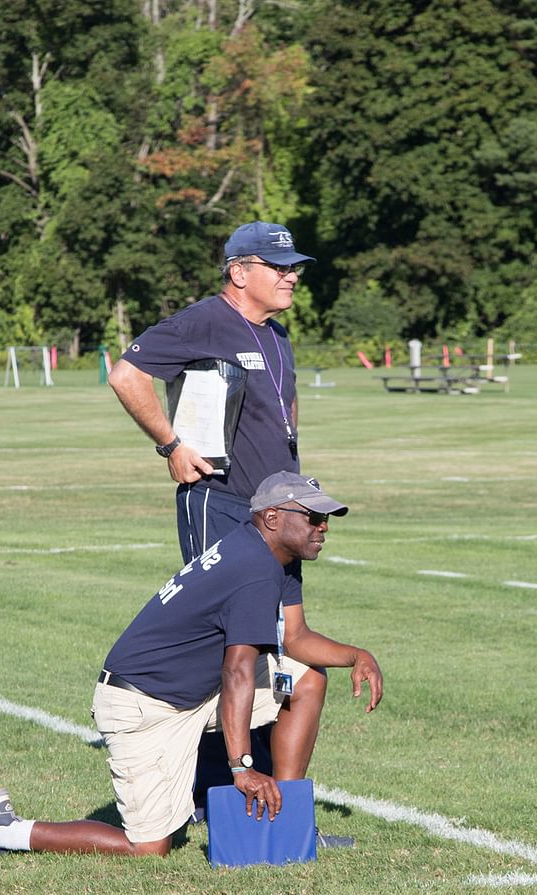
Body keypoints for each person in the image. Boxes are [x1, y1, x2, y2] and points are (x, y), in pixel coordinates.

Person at [0, 472, 383, 859]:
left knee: (305, 678)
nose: (323, 527)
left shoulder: (275, 556)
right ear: (272, 518)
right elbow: (238, 673)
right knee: (148, 848)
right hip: (143, 704)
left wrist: (356, 656)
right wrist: (242, 767)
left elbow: (295, 638)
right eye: (313, 517)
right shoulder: (254, 567)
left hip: (191, 690)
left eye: (325, 519)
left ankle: (285, 830)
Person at [108, 221, 321, 803]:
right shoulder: (204, 320)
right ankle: (216, 792)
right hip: (222, 505)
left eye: (294, 266)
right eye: (278, 266)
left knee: (275, 647)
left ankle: (279, 807)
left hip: (277, 514)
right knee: (231, 649)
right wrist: (171, 446)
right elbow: (127, 375)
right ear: (239, 271)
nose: (291, 275)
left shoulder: (276, 336)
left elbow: (287, 406)